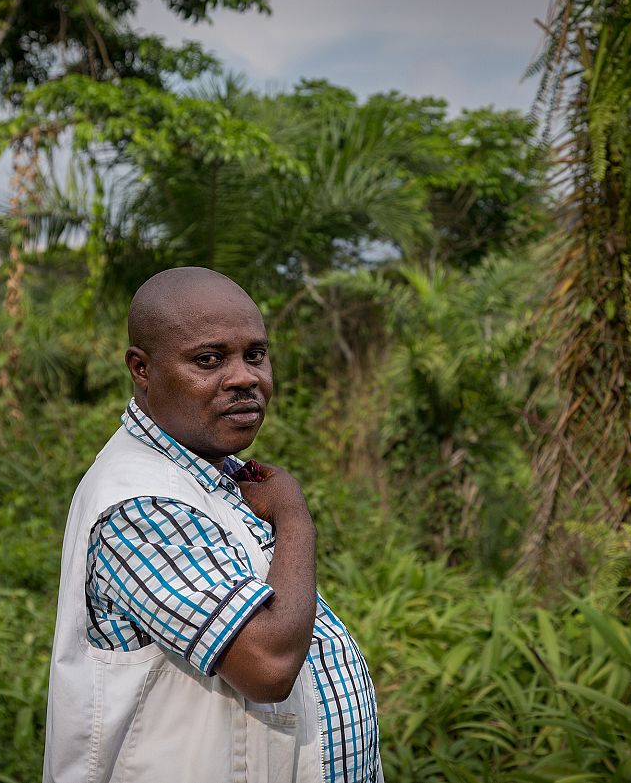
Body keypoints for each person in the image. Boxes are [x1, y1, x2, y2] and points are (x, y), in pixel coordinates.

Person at [44, 267, 381, 783]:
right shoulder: (141, 504)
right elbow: (268, 665)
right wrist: (294, 516)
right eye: (208, 359)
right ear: (142, 369)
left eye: (255, 354)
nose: (246, 377)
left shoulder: (208, 474)